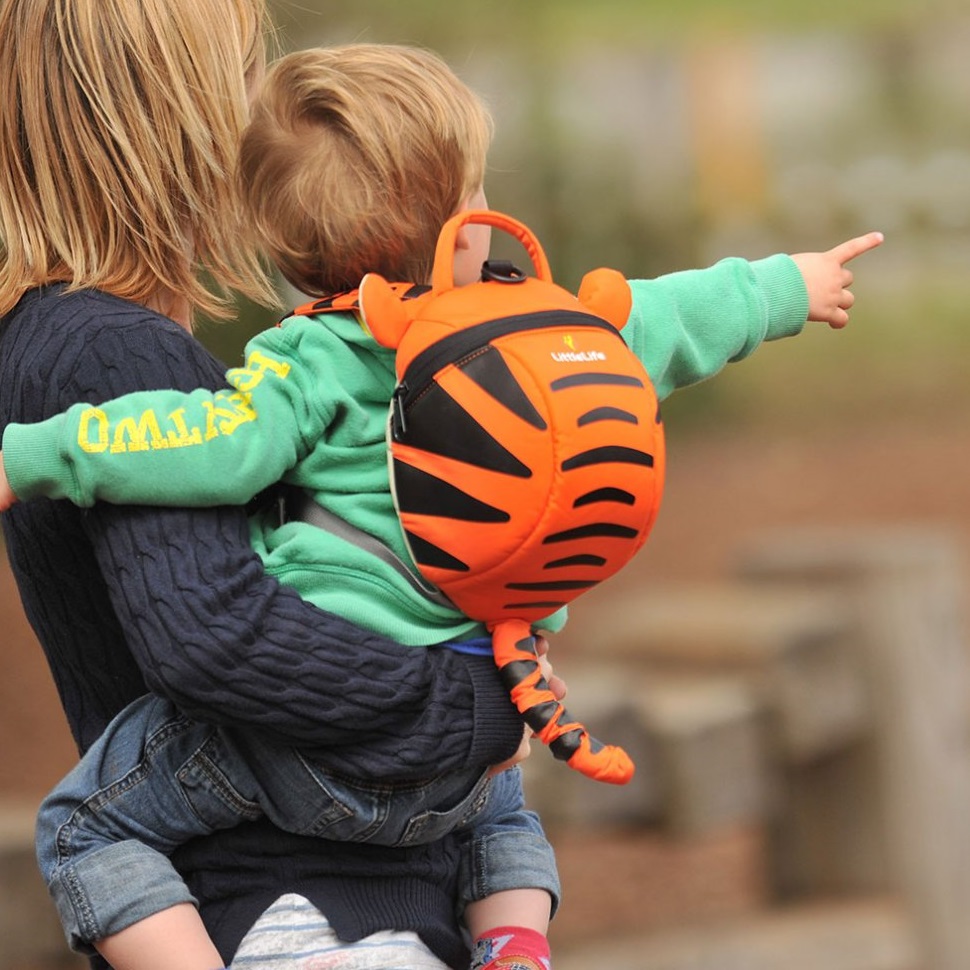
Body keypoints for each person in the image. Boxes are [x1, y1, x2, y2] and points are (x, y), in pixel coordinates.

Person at [0, 39, 883, 970]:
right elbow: (671, 316)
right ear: (468, 228)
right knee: (506, 804)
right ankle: (514, 940)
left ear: (286, 249)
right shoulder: (545, 328)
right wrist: (789, 285)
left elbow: (191, 444)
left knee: (83, 828)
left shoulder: (304, 367)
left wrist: (36, 453)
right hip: (473, 743)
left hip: (299, 763)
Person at [0, 7, 541, 970]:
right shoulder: (116, 354)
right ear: (174, 112)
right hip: (295, 914)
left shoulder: (85, 343)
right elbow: (217, 635)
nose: (265, 105)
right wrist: (482, 704)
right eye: (245, 71)